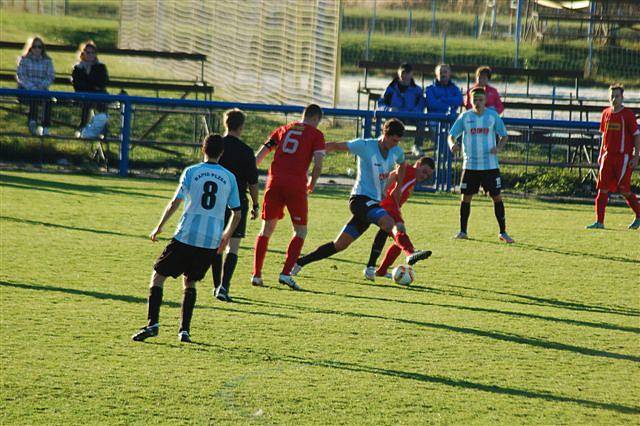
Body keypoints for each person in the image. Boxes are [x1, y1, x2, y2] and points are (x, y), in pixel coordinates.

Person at [292, 119, 432, 285]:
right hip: (359, 200)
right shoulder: (365, 146)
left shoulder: (396, 151)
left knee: (340, 244)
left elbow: (402, 164)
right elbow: (336, 146)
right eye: (394, 140)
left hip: (373, 204)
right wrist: (308, 150)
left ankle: (298, 263)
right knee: (389, 222)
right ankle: (372, 267)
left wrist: (398, 187)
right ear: (385, 134)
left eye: (398, 141)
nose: (396, 144)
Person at [132, 134, 241, 343]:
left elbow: (175, 202)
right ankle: (184, 331)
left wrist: (160, 226)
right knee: (190, 282)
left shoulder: (191, 172)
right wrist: (226, 235)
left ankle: (152, 323)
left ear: (203, 149)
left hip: (186, 235)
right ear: (222, 153)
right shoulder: (229, 177)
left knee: (157, 275)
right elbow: (237, 212)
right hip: (210, 241)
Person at [252, 104, 326, 290]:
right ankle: (285, 273)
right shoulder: (316, 135)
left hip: (274, 182)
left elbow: (259, 155)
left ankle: (257, 275)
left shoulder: (284, 128)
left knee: (266, 229)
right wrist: (312, 183)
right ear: (316, 118)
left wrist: (250, 175)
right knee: (300, 231)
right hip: (296, 184)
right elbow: (318, 164)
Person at [448, 87, 514, 243]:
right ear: (470, 102)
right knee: (466, 198)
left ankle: (503, 232)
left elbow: (504, 136)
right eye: (475, 100)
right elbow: (451, 135)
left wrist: (498, 148)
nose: (477, 103)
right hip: (470, 165)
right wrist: (452, 144)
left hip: (490, 165)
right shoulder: (465, 117)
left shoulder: (492, 116)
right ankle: (463, 231)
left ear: (485, 101)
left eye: (480, 100)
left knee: (497, 197)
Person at [212, 109, 260, 302]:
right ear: (241, 127)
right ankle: (224, 286)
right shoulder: (247, 151)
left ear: (225, 124)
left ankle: (216, 285)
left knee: (217, 245)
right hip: (237, 202)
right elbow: (253, 183)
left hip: (215, 201)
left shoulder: (215, 146)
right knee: (233, 246)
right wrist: (256, 204)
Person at [365, 156, 435, 281]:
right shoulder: (410, 171)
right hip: (388, 204)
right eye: (424, 171)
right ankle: (410, 252)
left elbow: (394, 174)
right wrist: (385, 190)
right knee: (400, 228)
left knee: (399, 240)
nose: (424, 176)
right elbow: (395, 173)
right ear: (418, 164)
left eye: (427, 175)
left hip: (392, 206)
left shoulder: (412, 177)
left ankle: (381, 271)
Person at [586, 84, 640, 230]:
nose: (614, 99)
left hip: (623, 158)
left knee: (624, 190)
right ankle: (599, 222)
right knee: (602, 189)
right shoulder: (605, 113)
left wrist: (636, 156)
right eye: (612, 96)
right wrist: (601, 154)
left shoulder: (627, 115)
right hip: (607, 156)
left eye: (617, 96)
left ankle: (639, 215)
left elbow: (636, 135)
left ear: (622, 97)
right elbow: (604, 135)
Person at [378, 63, 426, 156]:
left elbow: (421, 105)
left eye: (408, 73)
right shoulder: (390, 89)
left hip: (411, 116)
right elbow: (380, 104)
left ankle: (417, 146)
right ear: (398, 73)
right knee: (389, 125)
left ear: (412, 74)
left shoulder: (417, 90)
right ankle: (387, 146)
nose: (405, 76)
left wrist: (414, 112)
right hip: (394, 117)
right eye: (403, 73)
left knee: (421, 122)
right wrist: (388, 110)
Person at [16, 36, 54, 136]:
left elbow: (50, 76)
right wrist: (32, 87)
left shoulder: (47, 61)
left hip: (42, 90)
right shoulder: (23, 60)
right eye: (34, 47)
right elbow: (21, 76)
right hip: (26, 90)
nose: (37, 49)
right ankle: (32, 121)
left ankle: (45, 126)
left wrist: (41, 87)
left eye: (39, 47)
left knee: (48, 100)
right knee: (34, 96)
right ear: (30, 48)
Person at [71, 40, 109, 137]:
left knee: (102, 100)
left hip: (99, 95)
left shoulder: (101, 67)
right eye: (88, 52)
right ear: (83, 53)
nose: (90, 55)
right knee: (86, 99)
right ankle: (83, 126)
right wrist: (93, 85)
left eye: (93, 53)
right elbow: (78, 86)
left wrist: (89, 79)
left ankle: (103, 131)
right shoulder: (78, 68)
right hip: (83, 95)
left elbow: (102, 82)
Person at [425, 63, 463, 149]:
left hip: (451, 117)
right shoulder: (430, 89)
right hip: (435, 117)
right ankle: (442, 150)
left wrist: (442, 100)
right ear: (436, 74)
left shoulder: (455, 88)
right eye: (440, 72)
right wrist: (449, 104)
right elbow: (432, 104)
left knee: (460, 124)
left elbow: (459, 101)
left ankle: (454, 149)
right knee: (435, 128)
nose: (443, 74)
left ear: (449, 74)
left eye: (445, 72)